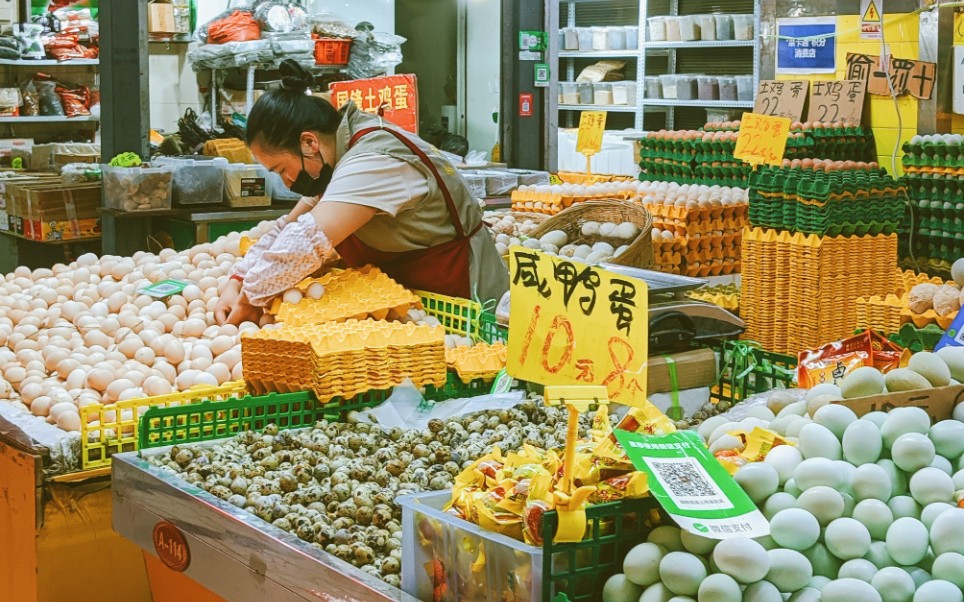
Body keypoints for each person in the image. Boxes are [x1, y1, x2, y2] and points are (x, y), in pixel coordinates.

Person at [215, 60, 509, 326]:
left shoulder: (372, 160)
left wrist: (251, 296)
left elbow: (307, 240)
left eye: (281, 169)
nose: (288, 183)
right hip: (415, 305)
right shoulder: (336, 158)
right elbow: (289, 228)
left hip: (465, 303)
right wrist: (238, 278)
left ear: (309, 143)